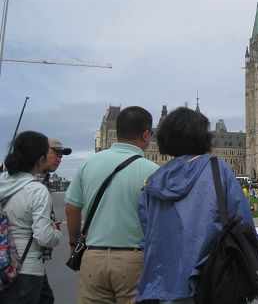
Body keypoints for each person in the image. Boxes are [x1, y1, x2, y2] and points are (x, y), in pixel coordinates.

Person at [136, 107, 255, 304]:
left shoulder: (152, 182)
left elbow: (148, 235)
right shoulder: (218, 170)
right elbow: (244, 224)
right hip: (214, 281)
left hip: (165, 286)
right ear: (204, 138)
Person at [65, 106, 159, 303]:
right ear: (146, 134)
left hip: (93, 256)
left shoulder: (88, 163)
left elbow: (72, 207)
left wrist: (74, 244)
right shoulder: (153, 171)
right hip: (134, 260)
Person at [0, 131, 62, 304]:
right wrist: (56, 233)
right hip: (25, 269)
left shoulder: (3, 181)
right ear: (41, 159)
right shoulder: (36, 189)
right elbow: (43, 237)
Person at [36, 138, 72, 304]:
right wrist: (55, 232)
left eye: (61, 155)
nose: (59, 158)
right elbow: (43, 235)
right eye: (55, 153)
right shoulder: (35, 183)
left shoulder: (43, 180)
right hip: (26, 262)